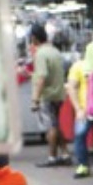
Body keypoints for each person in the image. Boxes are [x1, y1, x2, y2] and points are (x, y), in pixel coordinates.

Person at [67, 17, 93, 179]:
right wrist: (78, 108)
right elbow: (72, 87)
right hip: (86, 108)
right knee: (81, 136)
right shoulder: (79, 66)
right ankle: (83, 164)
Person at [29, 24, 70, 167]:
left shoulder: (40, 54)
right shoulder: (55, 52)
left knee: (50, 127)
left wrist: (35, 99)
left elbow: (42, 77)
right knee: (57, 125)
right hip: (59, 94)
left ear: (34, 38)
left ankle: (52, 157)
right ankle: (65, 154)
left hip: (47, 96)